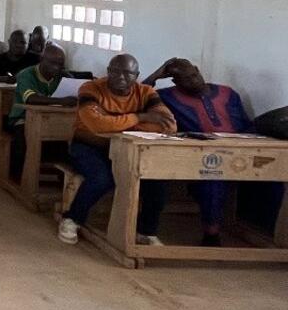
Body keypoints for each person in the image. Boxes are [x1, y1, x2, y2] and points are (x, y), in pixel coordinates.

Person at [58, 54, 176, 245]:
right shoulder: (91, 88)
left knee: (156, 180)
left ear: (136, 75)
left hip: (128, 150)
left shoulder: (146, 93)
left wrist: (114, 122)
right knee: (102, 177)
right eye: (115, 71)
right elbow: (96, 124)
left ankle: (146, 231)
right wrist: (141, 117)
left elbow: (168, 125)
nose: (121, 77)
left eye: (128, 73)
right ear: (108, 71)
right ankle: (72, 218)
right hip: (89, 146)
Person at [144, 58, 255, 246]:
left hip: (240, 152)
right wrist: (156, 75)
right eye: (185, 79)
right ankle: (211, 235)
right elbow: (138, 97)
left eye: (194, 75)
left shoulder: (228, 93)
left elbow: (247, 126)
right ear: (175, 82)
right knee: (213, 176)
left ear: (198, 70)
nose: (193, 80)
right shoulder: (168, 96)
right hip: (201, 155)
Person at [1, 43, 78, 181]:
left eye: (60, 64)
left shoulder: (62, 77)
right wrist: (62, 101)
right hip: (22, 118)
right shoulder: (26, 74)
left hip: (51, 120)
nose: (56, 67)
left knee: (67, 143)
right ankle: (18, 177)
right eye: (53, 63)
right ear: (42, 59)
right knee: (23, 139)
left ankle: (62, 180)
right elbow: (30, 99)